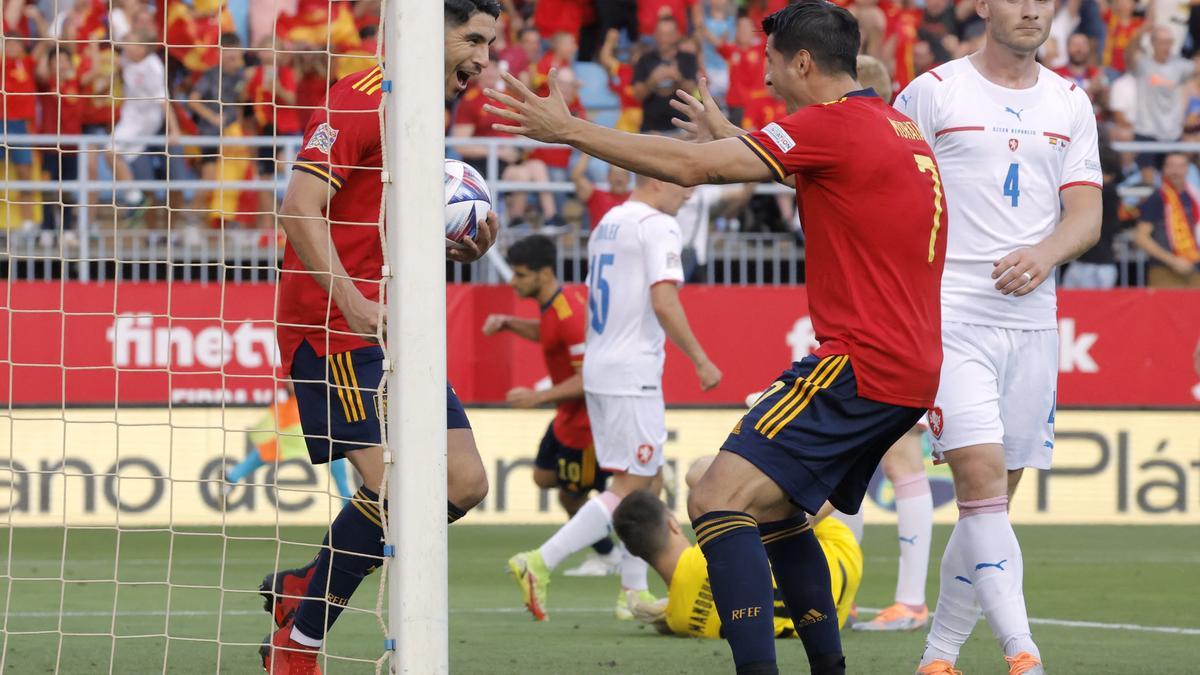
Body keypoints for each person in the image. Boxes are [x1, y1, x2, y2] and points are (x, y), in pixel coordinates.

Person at [484, 3, 947, 672]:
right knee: (776, 509)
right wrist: (734, 136)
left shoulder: (830, 126)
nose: (762, 73)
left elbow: (690, 168)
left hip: (858, 361)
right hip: (910, 367)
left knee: (712, 497)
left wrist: (569, 129)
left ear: (803, 63)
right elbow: (830, 178)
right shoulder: (895, 128)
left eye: (769, 62)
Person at [258, 1, 502, 672]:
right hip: (335, 328)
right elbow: (298, 209)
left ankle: (308, 585)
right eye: (473, 39)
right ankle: (298, 645)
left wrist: (457, 248)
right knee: (398, 494)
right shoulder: (363, 98)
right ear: (427, 32)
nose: (483, 57)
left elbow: (377, 217)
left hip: (397, 325)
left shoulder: (427, 109)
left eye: (490, 43)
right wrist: (355, 299)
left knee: (465, 480)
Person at [895, 0, 1104, 668]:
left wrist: (1044, 253)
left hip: (1034, 325)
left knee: (990, 507)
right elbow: (885, 190)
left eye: (1044, 0)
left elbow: (1087, 215)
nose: (1030, 10)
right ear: (982, 5)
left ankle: (939, 654)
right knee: (981, 485)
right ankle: (1024, 652)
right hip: (951, 317)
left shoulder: (1071, 102)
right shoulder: (932, 92)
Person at [507, 172, 723, 623]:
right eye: (683, 180)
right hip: (631, 372)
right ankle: (541, 560)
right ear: (658, 179)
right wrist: (701, 359)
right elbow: (664, 302)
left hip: (603, 368)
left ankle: (631, 590)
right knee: (630, 485)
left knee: (650, 479)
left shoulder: (609, 221)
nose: (690, 191)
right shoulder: (657, 225)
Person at [482, 235, 620, 577]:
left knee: (572, 499)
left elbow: (588, 377)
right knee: (544, 477)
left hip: (586, 424)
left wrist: (537, 397)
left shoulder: (567, 314)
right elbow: (549, 334)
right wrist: (510, 323)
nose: (513, 281)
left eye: (520, 274)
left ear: (544, 274)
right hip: (567, 417)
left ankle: (612, 556)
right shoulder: (555, 306)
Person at [611, 458, 861, 639]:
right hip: (838, 551)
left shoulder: (677, 620)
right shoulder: (710, 551)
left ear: (635, 552)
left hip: (833, 609)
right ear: (673, 524)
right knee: (698, 476)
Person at [221, 388, 355, 503]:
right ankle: (346, 499)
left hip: (314, 408)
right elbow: (290, 382)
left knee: (333, 448)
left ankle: (232, 475)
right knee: (331, 446)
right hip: (303, 409)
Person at [1132, 152, 1200, 287]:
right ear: (1164, 169)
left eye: (1180, 166)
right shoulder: (1156, 198)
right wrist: (1173, 261)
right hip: (1163, 270)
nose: (1176, 171)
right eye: (1171, 166)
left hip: (1194, 269)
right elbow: (1141, 237)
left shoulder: (1195, 197)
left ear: (1188, 169)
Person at [632, 15, 699, 133]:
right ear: (655, 35)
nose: (664, 39)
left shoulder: (688, 58)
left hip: (682, 127)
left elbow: (692, 91)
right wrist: (653, 80)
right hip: (651, 128)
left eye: (668, 34)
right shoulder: (644, 59)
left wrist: (677, 77)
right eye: (660, 34)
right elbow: (638, 95)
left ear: (677, 35)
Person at [570, 153, 631, 229]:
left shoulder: (636, 198)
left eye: (623, 175)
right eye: (615, 174)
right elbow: (577, 176)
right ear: (608, 177)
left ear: (629, 178)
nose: (619, 179)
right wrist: (587, 152)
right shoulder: (596, 195)